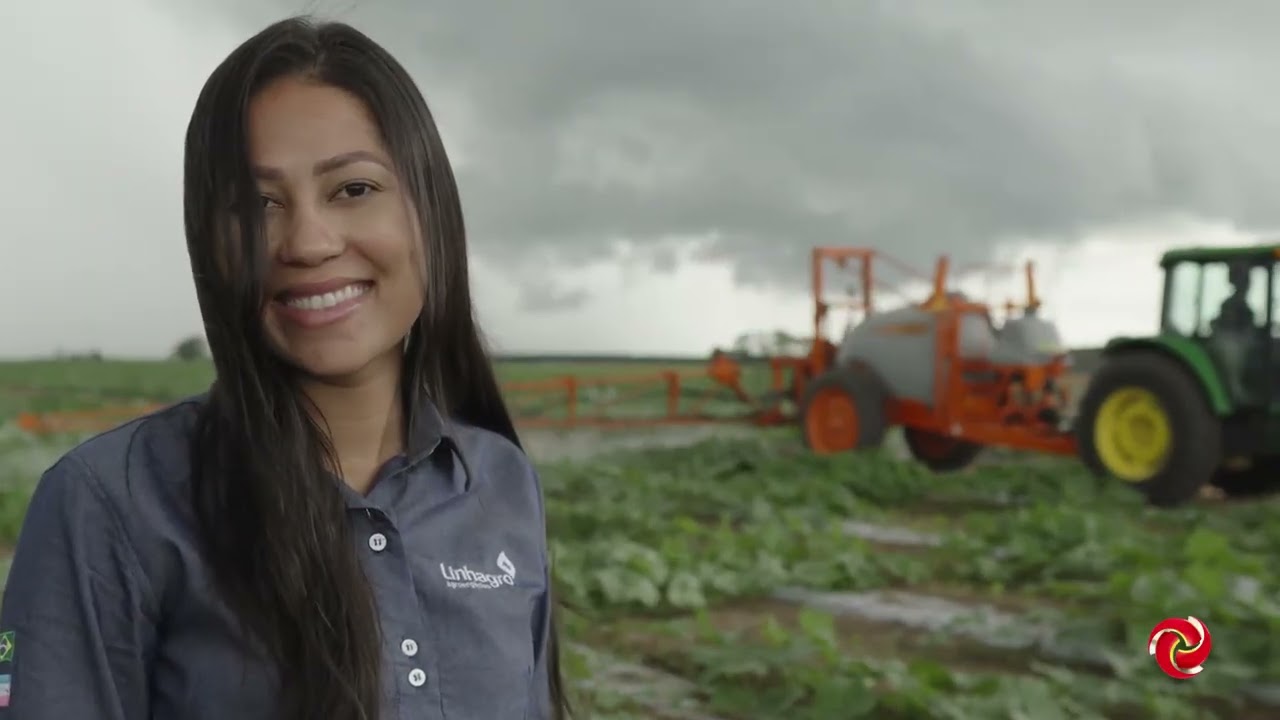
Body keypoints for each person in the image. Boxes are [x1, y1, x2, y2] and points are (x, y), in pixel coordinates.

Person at [0, 17, 569, 720]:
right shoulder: (109, 504)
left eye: (353, 189)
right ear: (211, 244)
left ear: (430, 211)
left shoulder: (502, 483)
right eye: (255, 204)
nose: (306, 241)